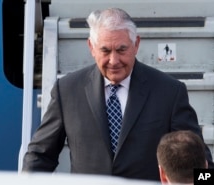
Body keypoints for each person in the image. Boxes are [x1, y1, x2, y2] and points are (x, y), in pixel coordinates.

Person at [22, 8, 214, 181]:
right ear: (91, 47)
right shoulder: (68, 91)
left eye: (122, 50)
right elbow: (40, 156)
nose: (114, 61)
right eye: (105, 50)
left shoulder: (169, 92)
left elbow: (202, 161)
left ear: (136, 44)